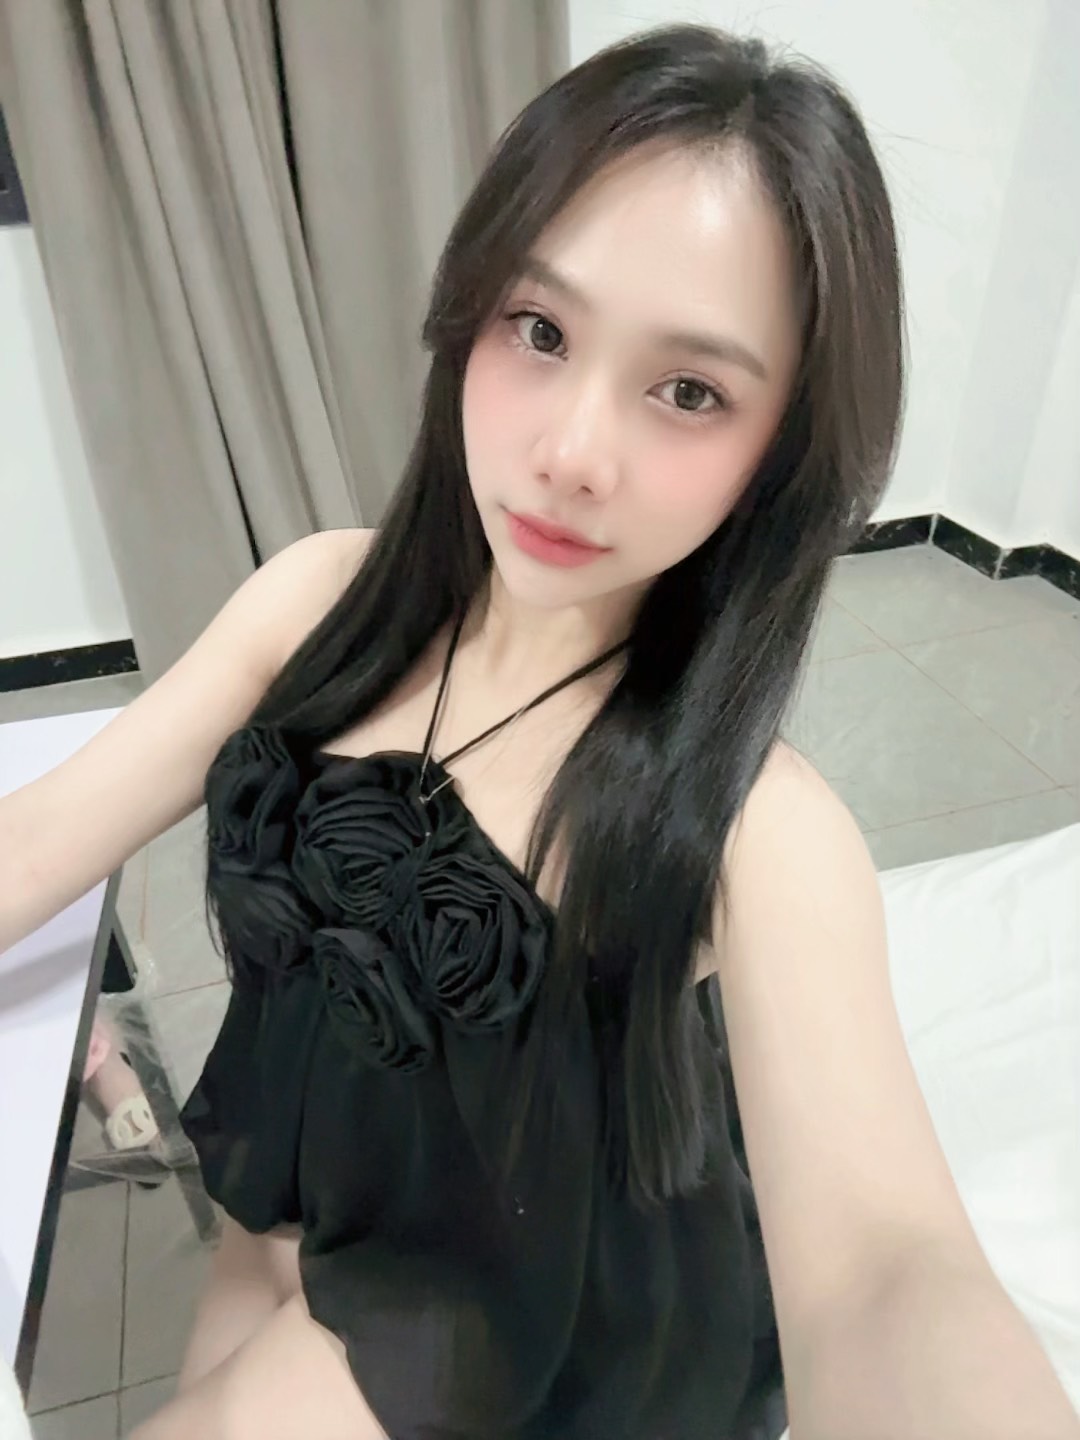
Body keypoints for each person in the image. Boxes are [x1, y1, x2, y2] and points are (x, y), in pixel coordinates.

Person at [4, 22, 1077, 1440]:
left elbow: (892, 1273)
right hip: (299, 1199)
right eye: (541, 330)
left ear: (783, 448)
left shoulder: (758, 833)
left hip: (522, 1309)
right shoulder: (317, 600)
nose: (571, 452)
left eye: (689, 391)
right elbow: (43, 832)